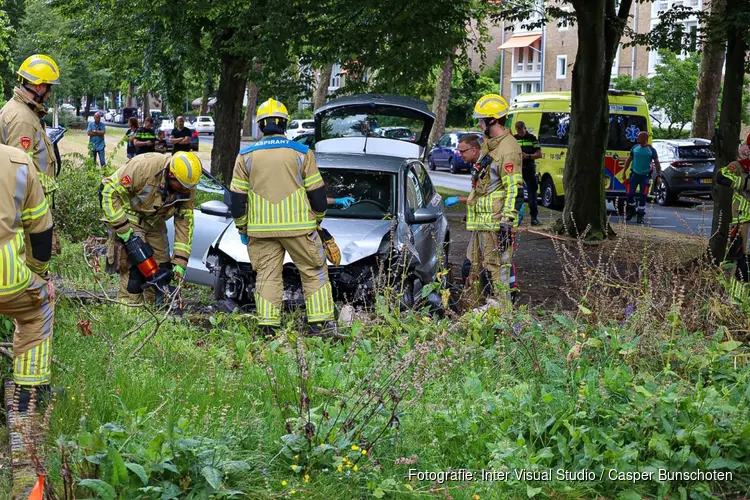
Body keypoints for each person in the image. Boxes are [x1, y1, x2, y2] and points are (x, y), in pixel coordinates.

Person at [230, 98, 336, 336]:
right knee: (313, 271)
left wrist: (242, 228)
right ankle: (320, 327)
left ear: (260, 126)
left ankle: (268, 329)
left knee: (266, 278)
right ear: (285, 123)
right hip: (300, 229)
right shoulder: (301, 153)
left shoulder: (245, 156)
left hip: (260, 231)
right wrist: (317, 219)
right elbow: (318, 195)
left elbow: (236, 200)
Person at [99, 151, 200, 305]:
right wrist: (122, 229)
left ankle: (155, 316)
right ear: (171, 174)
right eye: (183, 186)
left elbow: (184, 223)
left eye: (189, 187)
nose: (186, 190)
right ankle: (130, 314)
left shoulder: (186, 185)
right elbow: (107, 190)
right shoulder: (144, 167)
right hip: (128, 217)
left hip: (154, 221)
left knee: (161, 270)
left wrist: (180, 261)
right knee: (136, 268)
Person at [0, 144, 55, 415]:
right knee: (39, 308)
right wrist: (39, 273)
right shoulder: (18, 161)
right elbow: (40, 230)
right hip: (7, 279)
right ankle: (27, 398)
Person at [446, 134, 522, 303]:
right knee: (473, 266)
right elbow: (482, 195)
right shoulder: (481, 165)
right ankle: (480, 303)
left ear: (474, 149)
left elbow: (509, 191)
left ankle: (505, 302)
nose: (459, 154)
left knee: (497, 268)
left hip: (495, 226)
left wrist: (508, 219)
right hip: (483, 226)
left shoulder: (501, 155)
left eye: (462, 151)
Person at [0, 54, 61, 209]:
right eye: (49, 86)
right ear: (39, 87)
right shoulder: (22, 119)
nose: (50, 92)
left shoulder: (25, 112)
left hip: (33, 204)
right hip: (30, 209)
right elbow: (18, 175)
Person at [716, 137, 750, 304]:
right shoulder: (739, 167)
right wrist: (744, 183)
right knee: (739, 259)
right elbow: (720, 176)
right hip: (742, 222)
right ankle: (736, 300)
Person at [623, 131, 662, 224]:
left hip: (645, 177)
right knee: (630, 194)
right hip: (634, 175)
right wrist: (624, 171)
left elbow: (657, 163)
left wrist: (659, 176)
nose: (637, 139)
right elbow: (629, 160)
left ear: (645, 139)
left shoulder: (651, 150)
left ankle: (640, 215)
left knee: (643, 196)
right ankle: (631, 210)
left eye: (639, 137)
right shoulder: (635, 148)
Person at [514, 121, 542, 226]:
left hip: (529, 168)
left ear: (525, 128)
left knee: (532, 194)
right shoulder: (514, 139)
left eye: (521, 130)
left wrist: (528, 156)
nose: (520, 132)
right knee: (516, 193)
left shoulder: (532, 138)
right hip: (517, 169)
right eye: (518, 130)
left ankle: (534, 218)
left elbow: (539, 154)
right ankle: (515, 216)